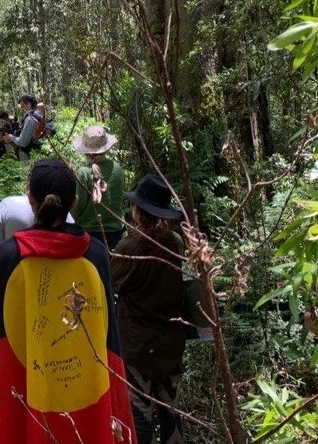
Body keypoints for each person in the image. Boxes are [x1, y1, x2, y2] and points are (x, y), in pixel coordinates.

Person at [0, 159, 135, 444]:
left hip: (25, 378)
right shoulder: (96, 254)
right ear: (74, 201)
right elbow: (106, 335)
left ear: (30, 200)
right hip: (86, 381)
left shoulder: (8, 256)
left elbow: (0, 339)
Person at [112, 174, 187, 444]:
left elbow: (111, 283)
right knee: (170, 410)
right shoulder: (176, 242)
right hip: (170, 342)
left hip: (138, 346)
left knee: (140, 414)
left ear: (137, 211)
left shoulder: (128, 248)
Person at [0, 195, 73, 284]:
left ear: (30, 196)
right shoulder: (69, 220)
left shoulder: (7, 205)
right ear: (73, 203)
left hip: (13, 286)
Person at [70, 126, 126, 250]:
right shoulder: (117, 168)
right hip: (116, 233)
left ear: (85, 151)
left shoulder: (83, 172)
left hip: (89, 235)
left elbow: (76, 208)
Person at [3, 94, 43, 161]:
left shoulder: (30, 119)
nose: (21, 109)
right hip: (38, 153)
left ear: (29, 105)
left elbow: (23, 142)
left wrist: (11, 137)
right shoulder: (39, 114)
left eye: (22, 106)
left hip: (29, 155)